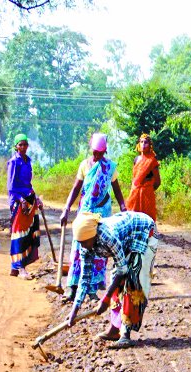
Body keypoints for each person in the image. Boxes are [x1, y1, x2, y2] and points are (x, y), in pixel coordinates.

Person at [67, 211, 159, 349]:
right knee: (115, 279)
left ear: (92, 236)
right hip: (127, 239)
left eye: (85, 242)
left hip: (143, 231)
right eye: (80, 243)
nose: (83, 246)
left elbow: (123, 270)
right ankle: (114, 330)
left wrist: (106, 298)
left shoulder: (107, 236)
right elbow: (84, 278)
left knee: (132, 279)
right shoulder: (85, 245)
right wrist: (75, 309)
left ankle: (125, 335)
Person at [59, 133, 127, 302]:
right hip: (85, 211)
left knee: (99, 249)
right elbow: (76, 188)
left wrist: (123, 207)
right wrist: (66, 208)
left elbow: (116, 189)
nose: (97, 156)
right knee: (78, 247)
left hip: (102, 213)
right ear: (91, 150)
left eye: (100, 153)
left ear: (105, 151)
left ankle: (92, 289)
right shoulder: (84, 165)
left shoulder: (110, 167)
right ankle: (72, 286)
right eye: (95, 152)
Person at [6, 133, 41, 279]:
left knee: (29, 233)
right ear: (16, 146)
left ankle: (17, 268)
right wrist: (21, 200)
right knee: (19, 234)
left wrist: (36, 198)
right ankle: (19, 267)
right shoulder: (14, 162)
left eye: (25, 144)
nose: (23, 147)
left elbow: (28, 184)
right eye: (20, 145)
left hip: (29, 199)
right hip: (18, 202)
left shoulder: (28, 161)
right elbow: (11, 187)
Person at [127, 134, 161, 222]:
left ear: (150, 145)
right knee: (133, 218)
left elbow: (157, 182)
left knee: (147, 218)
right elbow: (134, 178)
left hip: (147, 194)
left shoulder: (152, 161)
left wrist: (148, 189)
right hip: (135, 193)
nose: (143, 144)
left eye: (146, 142)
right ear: (138, 144)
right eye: (141, 142)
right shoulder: (136, 159)